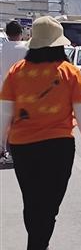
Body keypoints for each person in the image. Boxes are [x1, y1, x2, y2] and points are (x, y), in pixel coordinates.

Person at [0, 16, 81, 250]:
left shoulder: (17, 71)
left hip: (22, 146)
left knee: (33, 202)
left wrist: (1, 142)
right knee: (49, 205)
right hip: (57, 146)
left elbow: (5, 111)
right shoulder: (69, 72)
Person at [1, 21, 29, 163]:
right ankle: (15, 153)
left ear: (6, 34)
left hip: (3, 91)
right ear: (21, 33)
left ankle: (2, 151)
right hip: (22, 93)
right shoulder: (26, 49)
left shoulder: (2, 49)